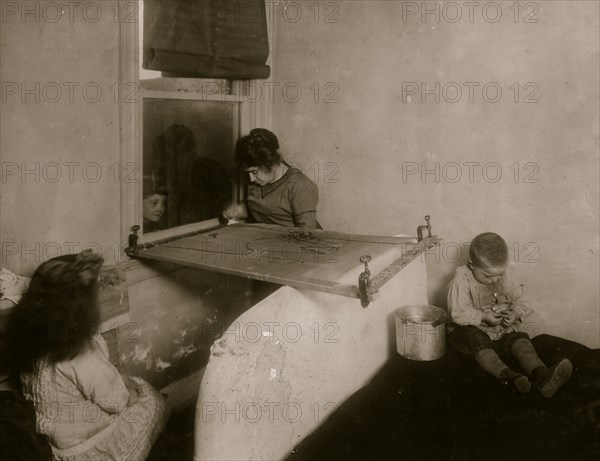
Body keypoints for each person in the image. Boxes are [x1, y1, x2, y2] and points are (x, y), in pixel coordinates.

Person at [2, 250, 170, 460]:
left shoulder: (29, 338)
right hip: (84, 448)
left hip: (50, 435)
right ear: (83, 308)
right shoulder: (81, 353)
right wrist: (133, 395)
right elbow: (116, 401)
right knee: (150, 399)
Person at [447, 232, 572, 397]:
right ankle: (510, 377)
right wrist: (483, 317)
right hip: (474, 332)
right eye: (487, 275)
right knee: (473, 339)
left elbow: (524, 300)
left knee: (520, 339)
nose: (494, 280)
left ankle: (542, 376)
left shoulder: (504, 278)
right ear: (471, 265)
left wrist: (514, 312)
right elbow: (457, 312)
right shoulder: (461, 280)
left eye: (499, 274)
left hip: (501, 333)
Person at [223, 128, 321, 229]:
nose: (251, 179)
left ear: (271, 163)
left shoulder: (299, 185)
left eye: (254, 172)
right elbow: (261, 208)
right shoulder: (257, 180)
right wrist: (239, 210)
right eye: (248, 173)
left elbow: (307, 233)